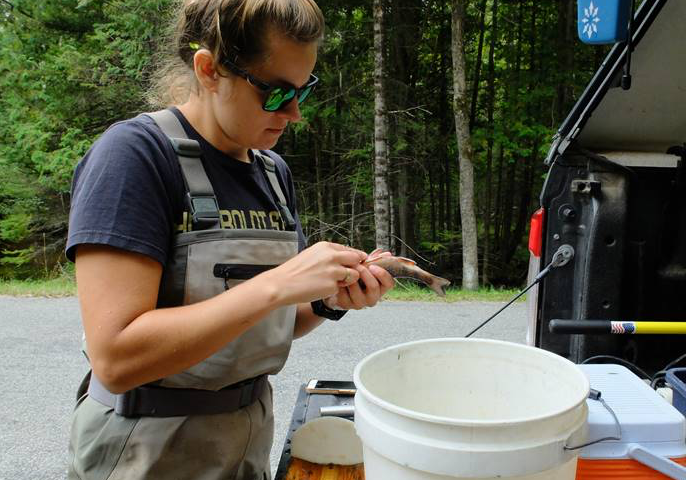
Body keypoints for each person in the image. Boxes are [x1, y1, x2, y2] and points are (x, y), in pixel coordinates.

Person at [65, 1, 394, 478]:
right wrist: (276, 284)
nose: (296, 113)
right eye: (278, 94)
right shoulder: (134, 157)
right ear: (210, 69)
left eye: (304, 91)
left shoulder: (273, 173)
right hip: (146, 449)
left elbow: (264, 324)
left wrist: (326, 302)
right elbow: (115, 357)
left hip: (243, 440)